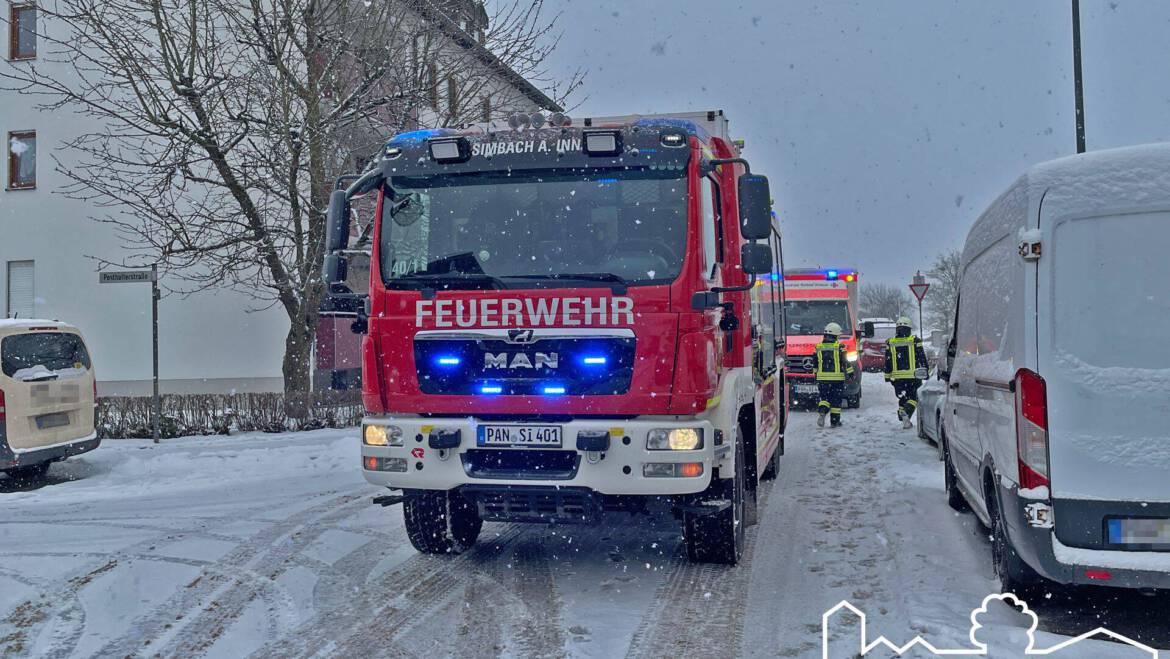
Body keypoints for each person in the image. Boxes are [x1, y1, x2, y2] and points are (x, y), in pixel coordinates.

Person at [884, 316, 930, 429]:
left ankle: (904, 418)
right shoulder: (915, 341)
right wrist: (925, 370)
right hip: (913, 377)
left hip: (897, 378)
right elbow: (921, 357)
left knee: (903, 398)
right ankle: (906, 413)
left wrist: (887, 376)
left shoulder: (890, 342)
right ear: (909, 329)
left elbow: (888, 361)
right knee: (913, 398)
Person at [815, 322, 854, 428]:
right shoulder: (840, 347)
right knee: (836, 400)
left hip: (822, 379)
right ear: (835, 335)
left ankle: (822, 411)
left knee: (824, 398)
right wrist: (850, 373)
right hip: (837, 379)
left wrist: (815, 374)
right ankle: (834, 421)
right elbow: (846, 362)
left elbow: (815, 363)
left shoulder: (818, 347)